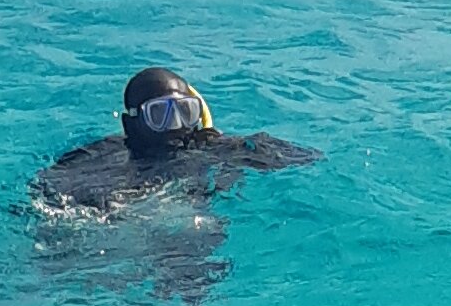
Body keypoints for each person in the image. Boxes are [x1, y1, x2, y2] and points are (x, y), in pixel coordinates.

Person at [32, 65, 313, 215]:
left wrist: (222, 142)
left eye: (184, 112)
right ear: (130, 124)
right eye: (160, 115)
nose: (176, 126)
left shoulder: (213, 147)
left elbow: (298, 156)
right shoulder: (97, 157)